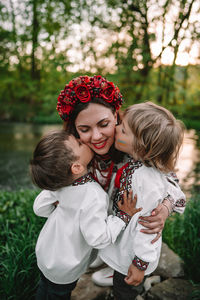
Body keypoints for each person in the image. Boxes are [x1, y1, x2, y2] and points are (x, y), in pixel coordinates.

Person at [56, 75, 186, 286]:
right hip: (98, 222)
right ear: (74, 129)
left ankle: (121, 263)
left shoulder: (135, 147)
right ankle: (100, 252)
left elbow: (171, 183)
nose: (97, 136)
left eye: (104, 124)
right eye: (85, 129)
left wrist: (165, 208)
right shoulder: (75, 153)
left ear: (117, 117)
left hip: (128, 228)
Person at [30, 130, 140, 300]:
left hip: (46, 254)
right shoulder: (93, 195)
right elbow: (98, 238)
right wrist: (122, 217)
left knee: (44, 289)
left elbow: (39, 208)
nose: (83, 140)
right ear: (77, 167)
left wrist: (56, 194)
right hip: (65, 266)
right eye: (80, 144)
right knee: (57, 295)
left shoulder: (60, 183)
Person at [99, 102, 186, 299]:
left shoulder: (146, 180)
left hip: (132, 253)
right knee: (121, 285)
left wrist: (140, 263)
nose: (116, 129)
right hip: (125, 246)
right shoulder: (136, 162)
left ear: (141, 145)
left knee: (125, 290)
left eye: (123, 130)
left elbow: (148, 227)